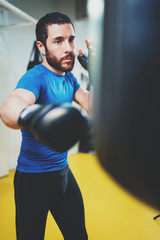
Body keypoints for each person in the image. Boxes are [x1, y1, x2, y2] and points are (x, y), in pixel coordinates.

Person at [0, 12, 93, 240]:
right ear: (41, 47)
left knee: (78, 236)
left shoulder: (69, 78)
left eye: (71, 39)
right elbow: (9, 108)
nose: (68, 48)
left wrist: (98, 73)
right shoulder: (36, 78)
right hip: (33, 180)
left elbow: (94, 105)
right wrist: (34, 117)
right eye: (58, 41)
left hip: (63, 175)